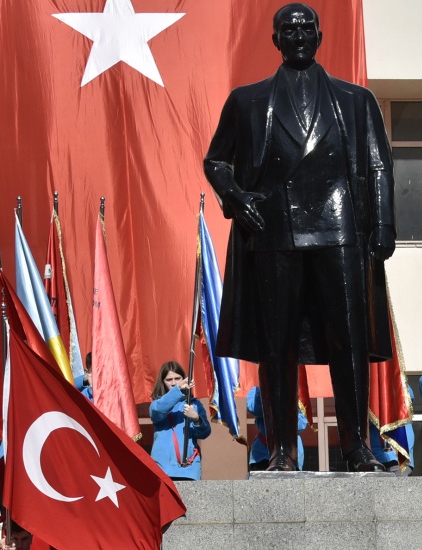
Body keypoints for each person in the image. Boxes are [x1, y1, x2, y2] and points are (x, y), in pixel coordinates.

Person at [203, 2, 396, 473]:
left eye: (306, 27)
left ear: (320, 35)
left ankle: (356, 446)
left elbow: (378, 165)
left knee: (348, 341)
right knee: (277, 344)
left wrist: (384, 224)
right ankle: (283, 450)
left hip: (339, 228)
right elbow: (215, 161)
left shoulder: (355, 100)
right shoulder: (246, 101)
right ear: (275, 40)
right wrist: (236, 196)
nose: (298, 35)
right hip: (274, 230)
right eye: (288, 30)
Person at [148, 361, 213, 481]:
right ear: (162, 382)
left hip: (188, 468)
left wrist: (196, 418)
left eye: (177, 378)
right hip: (163, 468)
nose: (173, 383)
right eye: (169, 379)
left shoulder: (194, 404)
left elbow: (205, 433)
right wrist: (178, 390)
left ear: (184, 379)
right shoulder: (157, 403)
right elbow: (158, 411)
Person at [244, 386, 306, 471]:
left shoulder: (296, 391)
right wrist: (268, 394)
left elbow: (302, 424)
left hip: (291, 453)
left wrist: (283, 409)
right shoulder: (257, 390)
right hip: (263, 453)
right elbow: (253, 407)